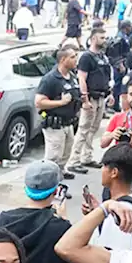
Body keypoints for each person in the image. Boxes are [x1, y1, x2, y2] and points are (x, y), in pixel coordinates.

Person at [36, 46, 83, 179]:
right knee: (53, 157)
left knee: (66, 152)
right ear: (63, 59)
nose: (76, 60)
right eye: (73, 57)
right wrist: (60, 103)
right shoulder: (50, 79)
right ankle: (47, 183)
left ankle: (60, 174)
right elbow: (39, 102)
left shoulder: (71, 76)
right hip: (54, 124)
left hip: (68, 123)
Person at [72, 28, 111, 170]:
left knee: (93, 129)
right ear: (93, 38)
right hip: (91, 98)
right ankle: (74, 161)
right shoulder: (86, 57)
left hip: (101, 97)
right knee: (83, 129)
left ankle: (86, 157)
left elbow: (106, 77)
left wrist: (110, 94)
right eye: (102, 38)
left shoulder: (102, 56)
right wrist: (85, 99)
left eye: (105, 38)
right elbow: (82, 78)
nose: (104, 40)